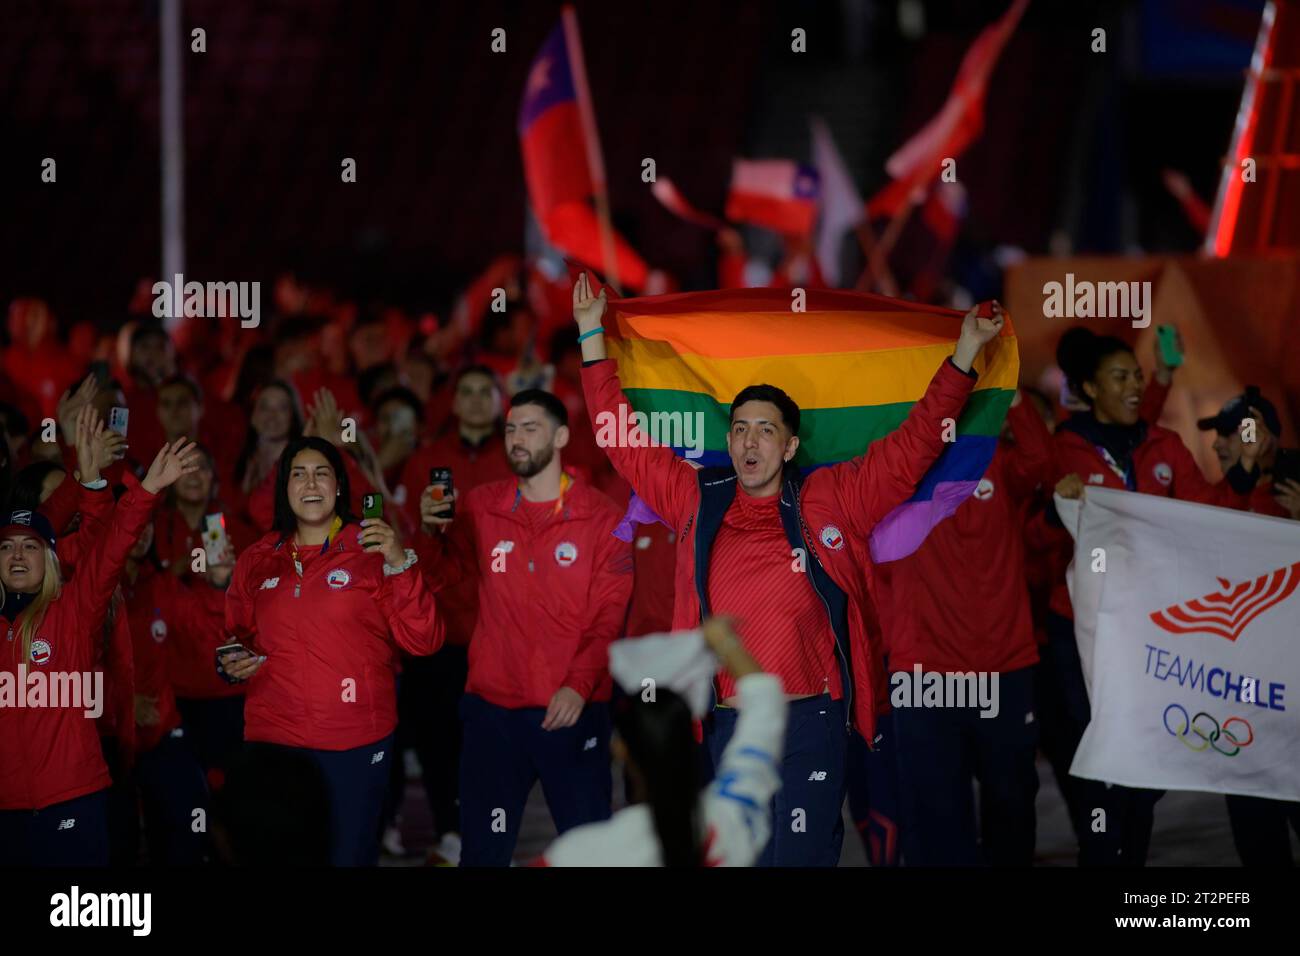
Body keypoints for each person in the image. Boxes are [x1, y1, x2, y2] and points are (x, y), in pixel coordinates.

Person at [571, 272, 1006, 866]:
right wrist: (590, 332)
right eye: (741, 428)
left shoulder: (832, 498)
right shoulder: (695, 497)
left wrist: (964, 353)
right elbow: (619, 438)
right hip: (730, 725)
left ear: (790, 447)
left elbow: (914, 446)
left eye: (766, 430)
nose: (750, 441)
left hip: (811, 723)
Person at [1043, 326, 1263, 866]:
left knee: (1142, 775)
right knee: (1098, 769)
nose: (1136, 386)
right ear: (1090, 390)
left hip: (1151, 635)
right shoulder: (1061, 453)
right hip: (1081, 637)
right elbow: (1031, 541)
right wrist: (1054, 511)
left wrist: (1243, 473)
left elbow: (1206, 517)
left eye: (1139, 376)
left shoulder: (1165, 446)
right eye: (1121, 378)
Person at [417, 388, 634, 867]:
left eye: (530, 428)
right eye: (511, 428)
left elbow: (608, 617)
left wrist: (578, 686)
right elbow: (441, 577)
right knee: (483, 853)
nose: (516, 438)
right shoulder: (480, 506)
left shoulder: (603, 519)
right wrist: (428, 533)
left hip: (573, 711)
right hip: (494, 712)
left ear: (559, 436)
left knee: (592, 856)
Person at [219, 435, 444, 866]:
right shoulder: (258, 558)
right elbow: (237, 636)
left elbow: (425, 639)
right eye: (298, 474)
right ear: (285, 488)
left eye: (321, 473)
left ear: (339, 486)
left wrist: (399, 560)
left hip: (354, 739)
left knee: (347, 857)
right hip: (274, 742)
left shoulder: (373, 548)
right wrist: (230, 660)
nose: (310, 483)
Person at [0, 407, 199, 866]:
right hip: (7, 809)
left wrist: (146, 490)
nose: (17, 555)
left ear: (50, 559)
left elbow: (108, 551)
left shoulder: (73, 610)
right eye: (7, 545)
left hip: (74, 799)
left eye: (31, 546)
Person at [872, 386, 1054, 865]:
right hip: (924, 676)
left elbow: (1040, 458)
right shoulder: (894, 478)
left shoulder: (997, 462)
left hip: (1005, 669)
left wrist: (1009, 389)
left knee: (1013, 812)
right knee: (936, 823)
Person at [539, 618, 787, 867]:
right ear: (690, 741)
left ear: (620, 749)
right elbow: (765, 702)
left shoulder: (581, 852)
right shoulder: (733, 817)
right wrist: (725, 642)